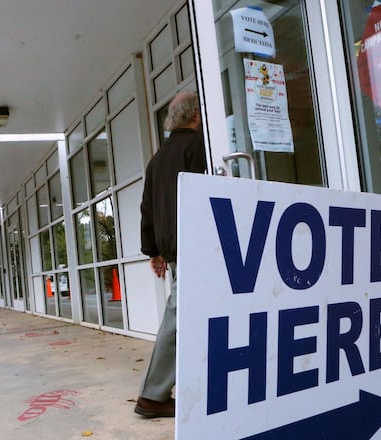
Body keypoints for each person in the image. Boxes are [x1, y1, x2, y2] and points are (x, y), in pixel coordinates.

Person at [135, 91, 206, 418]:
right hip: (199, 248)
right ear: (194, 116)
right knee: (179, 320)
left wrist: (154, 251)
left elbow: (147, 209)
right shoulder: (197, 148)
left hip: (176, 250)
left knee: (192, 318)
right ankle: (152, 395)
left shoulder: (158, 158)